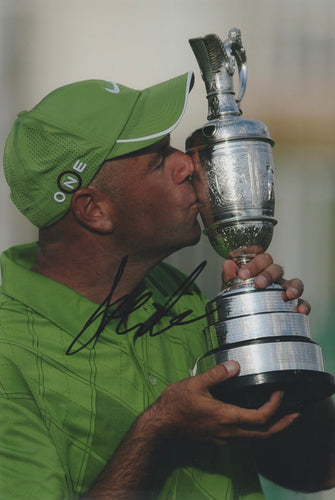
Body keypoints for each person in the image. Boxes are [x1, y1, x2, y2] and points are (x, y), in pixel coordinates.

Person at [0, 72, 334, 500]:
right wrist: (158, 431)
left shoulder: (181, 298)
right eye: (159, 159)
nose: (188, 164)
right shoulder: (9, 352)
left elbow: (318, 469)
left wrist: (270, 335)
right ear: (94, 209)